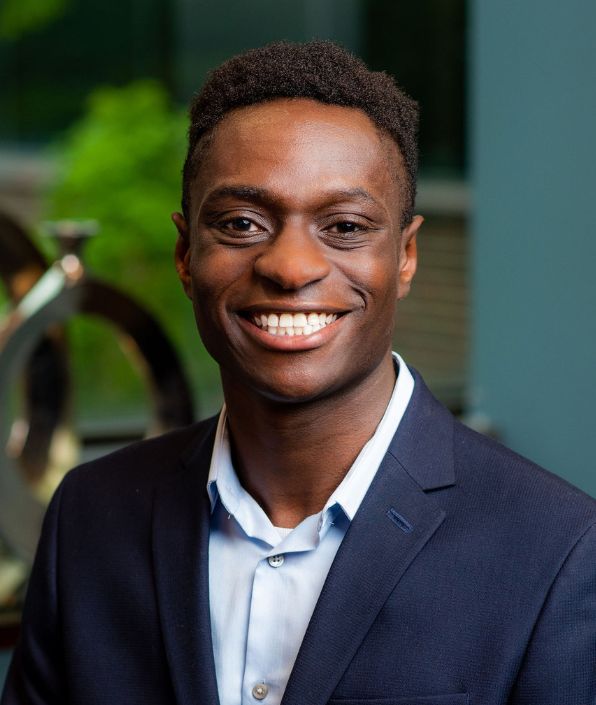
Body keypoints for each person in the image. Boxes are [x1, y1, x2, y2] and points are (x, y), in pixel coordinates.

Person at [2, 40, 595, 705]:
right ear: (185, 251)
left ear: (405, 255)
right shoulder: (90, 516)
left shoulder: (558, 550)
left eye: (344, 225)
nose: (289, 267)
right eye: (241, 222)